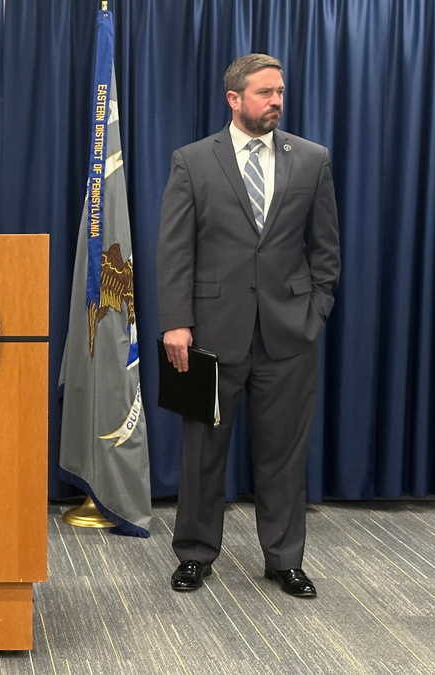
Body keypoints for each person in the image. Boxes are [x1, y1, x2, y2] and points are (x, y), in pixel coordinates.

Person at [157, 54, 340, 598]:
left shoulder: (312, 159)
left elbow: (326, 251)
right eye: (265, 93)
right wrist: (176, 324)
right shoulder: (192, 161)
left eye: (280, 91)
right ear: (234, 99)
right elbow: (175, 251)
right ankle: (194, 554)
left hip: (288, 336)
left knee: (283, 455)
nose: (277, 101)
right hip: (210, 335)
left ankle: (284, 560)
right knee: (202, 453)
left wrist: (315, 312)